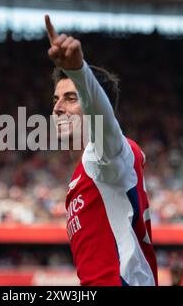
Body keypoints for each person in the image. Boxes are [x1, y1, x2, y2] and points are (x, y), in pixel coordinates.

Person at [45, 15, 158, 286]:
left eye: (71, 98)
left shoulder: (106, 155)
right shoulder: (84, 175)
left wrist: (78, 71)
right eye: (56, 99)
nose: (58, 107)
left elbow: (103, 117)